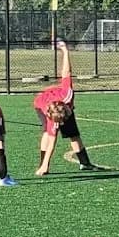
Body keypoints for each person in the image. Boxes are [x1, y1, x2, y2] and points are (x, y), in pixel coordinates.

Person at [33, 41, 93, 176]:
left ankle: (85, 163)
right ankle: (42, 164)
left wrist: (65, 51)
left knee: (73, 133)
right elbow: (52, 142)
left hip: (57, 102)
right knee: (47, 134)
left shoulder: (67, 94)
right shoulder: (52, 118)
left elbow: (66, 72)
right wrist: (46, 166)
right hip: (41, 102)